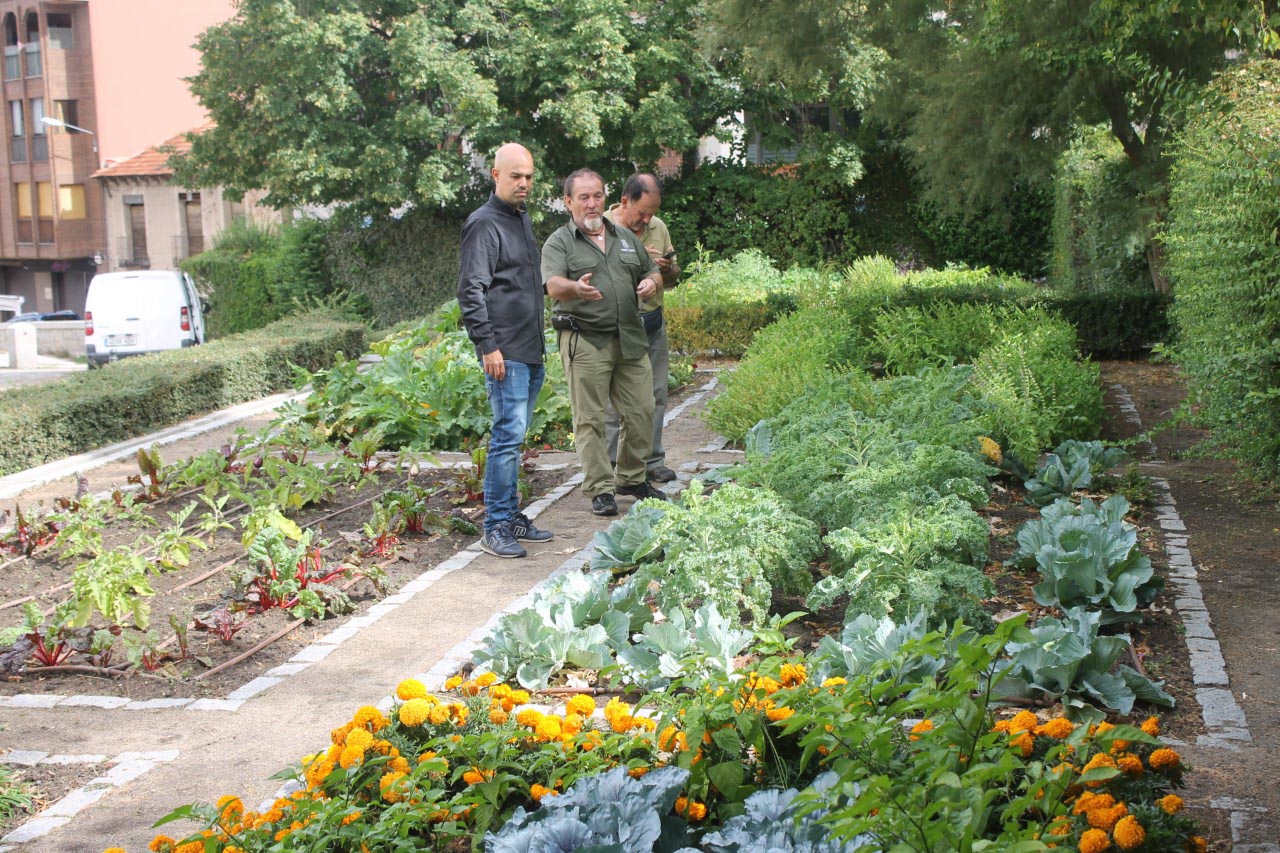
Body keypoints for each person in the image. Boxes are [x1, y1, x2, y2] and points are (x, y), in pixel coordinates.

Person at [542, 169, 670, 516]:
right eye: (583, 197)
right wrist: (575, 288)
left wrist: (652, 282)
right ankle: (600, 488)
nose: (592, 203)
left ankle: (631, 477)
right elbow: (552, 285)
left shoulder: (624, 237)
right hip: (585, 339)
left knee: (642, 409)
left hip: (629, 337)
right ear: (568, 202)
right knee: (590, 419)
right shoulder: (560, 242)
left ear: (606, 197)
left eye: (597, 195)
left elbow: (651, 271)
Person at [457, 142, 553, 559]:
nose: (524, 183)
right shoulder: (484, 224)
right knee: (506, 439)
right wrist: (488, 346)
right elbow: (470, 290)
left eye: (529, 176)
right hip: (505, 352)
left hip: (530, 351)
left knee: (515, 440)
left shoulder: (520, 219)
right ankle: (495, 526)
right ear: (495, 175)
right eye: (516, 176)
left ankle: (511, 517)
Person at [603, 173, 681, 483]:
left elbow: (674, 276)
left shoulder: (658, 227)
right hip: (616, 326)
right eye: (642, 212)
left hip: (652, 323)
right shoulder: (601, 228)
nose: (647, 220)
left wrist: (666, 269)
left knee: (656, 393)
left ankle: (652, 460)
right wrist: (636, 262)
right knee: (615, 401)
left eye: (652, 213)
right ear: (624, 201)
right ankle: (612, 464)